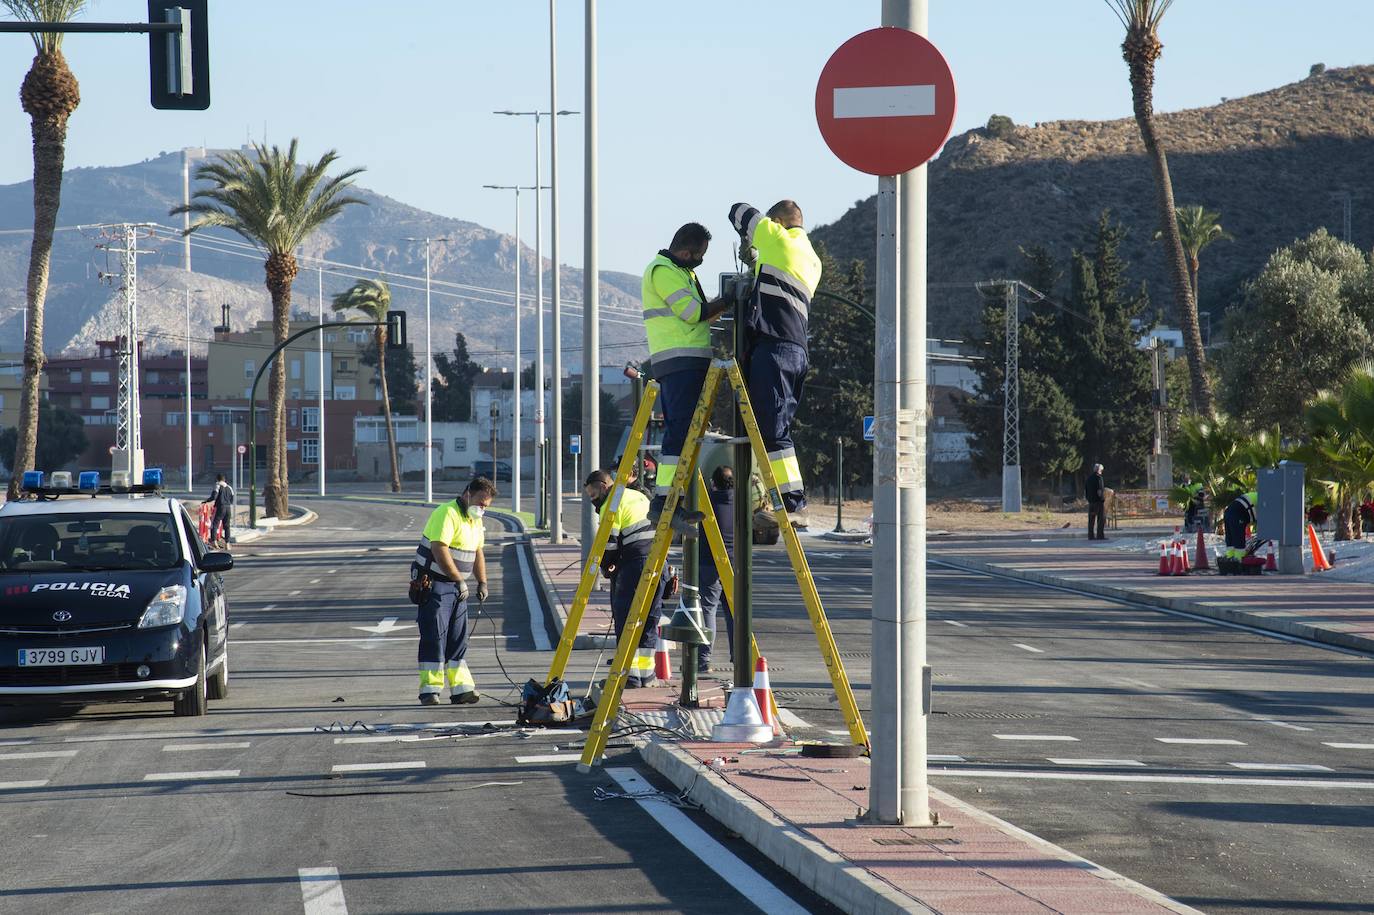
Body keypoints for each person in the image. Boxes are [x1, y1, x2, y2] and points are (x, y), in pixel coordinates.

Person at [728, 200, 823, 526]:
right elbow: (775, 278)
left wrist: (749, 240)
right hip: (796, 350)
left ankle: (794, 504)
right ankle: (781, 500)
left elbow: (738, 210)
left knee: (774, 430)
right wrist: (757, 259)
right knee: (774, 427)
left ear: (779, 221)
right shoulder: (811, 258)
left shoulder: (777, 236)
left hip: (776, 349)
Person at [641, 222, 731, 527]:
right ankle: (664, 502)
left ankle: (672, 500)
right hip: (678, 362)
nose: (701, 261)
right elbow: (693, 313)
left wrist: (722, 303)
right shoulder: (662, 270)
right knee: (679, 433)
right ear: (684, 250)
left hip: (689, 362)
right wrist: (730, 298)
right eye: (699, 255)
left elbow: (702, 312)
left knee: (687, 435)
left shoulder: (683, 272)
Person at [411, 477, 495, 706]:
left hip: (458, 588)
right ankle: (430, 691)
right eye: (480, 503)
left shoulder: (473, 521)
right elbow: (439, 549)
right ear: (468, 493)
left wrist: (483, 582)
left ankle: (461, 690)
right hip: (436, 584)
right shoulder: (446, 513)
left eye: (486, 506)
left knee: (458, 638)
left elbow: (478, 553)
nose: (482, 509)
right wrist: (458, 579)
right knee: (435, 637)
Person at [584, 469, 666, 687]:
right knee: (649, 619)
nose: (594, 501)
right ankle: (646, 675)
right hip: (659, 561)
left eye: (593, 495)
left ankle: (629, 675)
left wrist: (606, 566)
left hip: (635, 565)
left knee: (626, 619)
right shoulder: (638, 495)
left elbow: (609, 544)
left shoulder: (611, 504)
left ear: (603, 487)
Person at [697, 465, 736, 674]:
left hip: (707, 563)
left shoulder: (707, 501)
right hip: (733, 563)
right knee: (733, 613)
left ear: (713, 483)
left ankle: (704, 661)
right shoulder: (739, 502)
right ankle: (739, 658)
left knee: (708, 611)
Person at [201, 473, 235, 548]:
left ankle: (214, 541)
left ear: (217, 479)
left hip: (220, 507)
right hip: (228, 508)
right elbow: (232, 498)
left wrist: (206, 501)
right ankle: (227, 543)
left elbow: (214, 497)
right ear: (224, 479)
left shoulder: (217, 485)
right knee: (227, 526)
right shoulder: (229, 487)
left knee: (214, 524)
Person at [1223, 490, 1258, 560]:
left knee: (1230, 540)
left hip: (1229, 512)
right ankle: (1239, 561)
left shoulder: (1256, 495)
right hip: (1238, 514)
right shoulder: (1265, 500)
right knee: (1239, 540)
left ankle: (1230, 559)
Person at [1086, 463, 1107, 540]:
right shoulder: (1099, 478)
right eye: (1101, 470)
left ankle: (1090, 536)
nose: (1102, 472)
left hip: (1091, 502)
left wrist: (1088, 499)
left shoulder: (1089, 478)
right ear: (1099, 470)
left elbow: (1086, 490)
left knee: (1091, 520)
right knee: (1101, 519)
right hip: (1098, 502)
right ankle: (1100, 535)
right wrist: (1102, 499)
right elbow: (1099, 490)